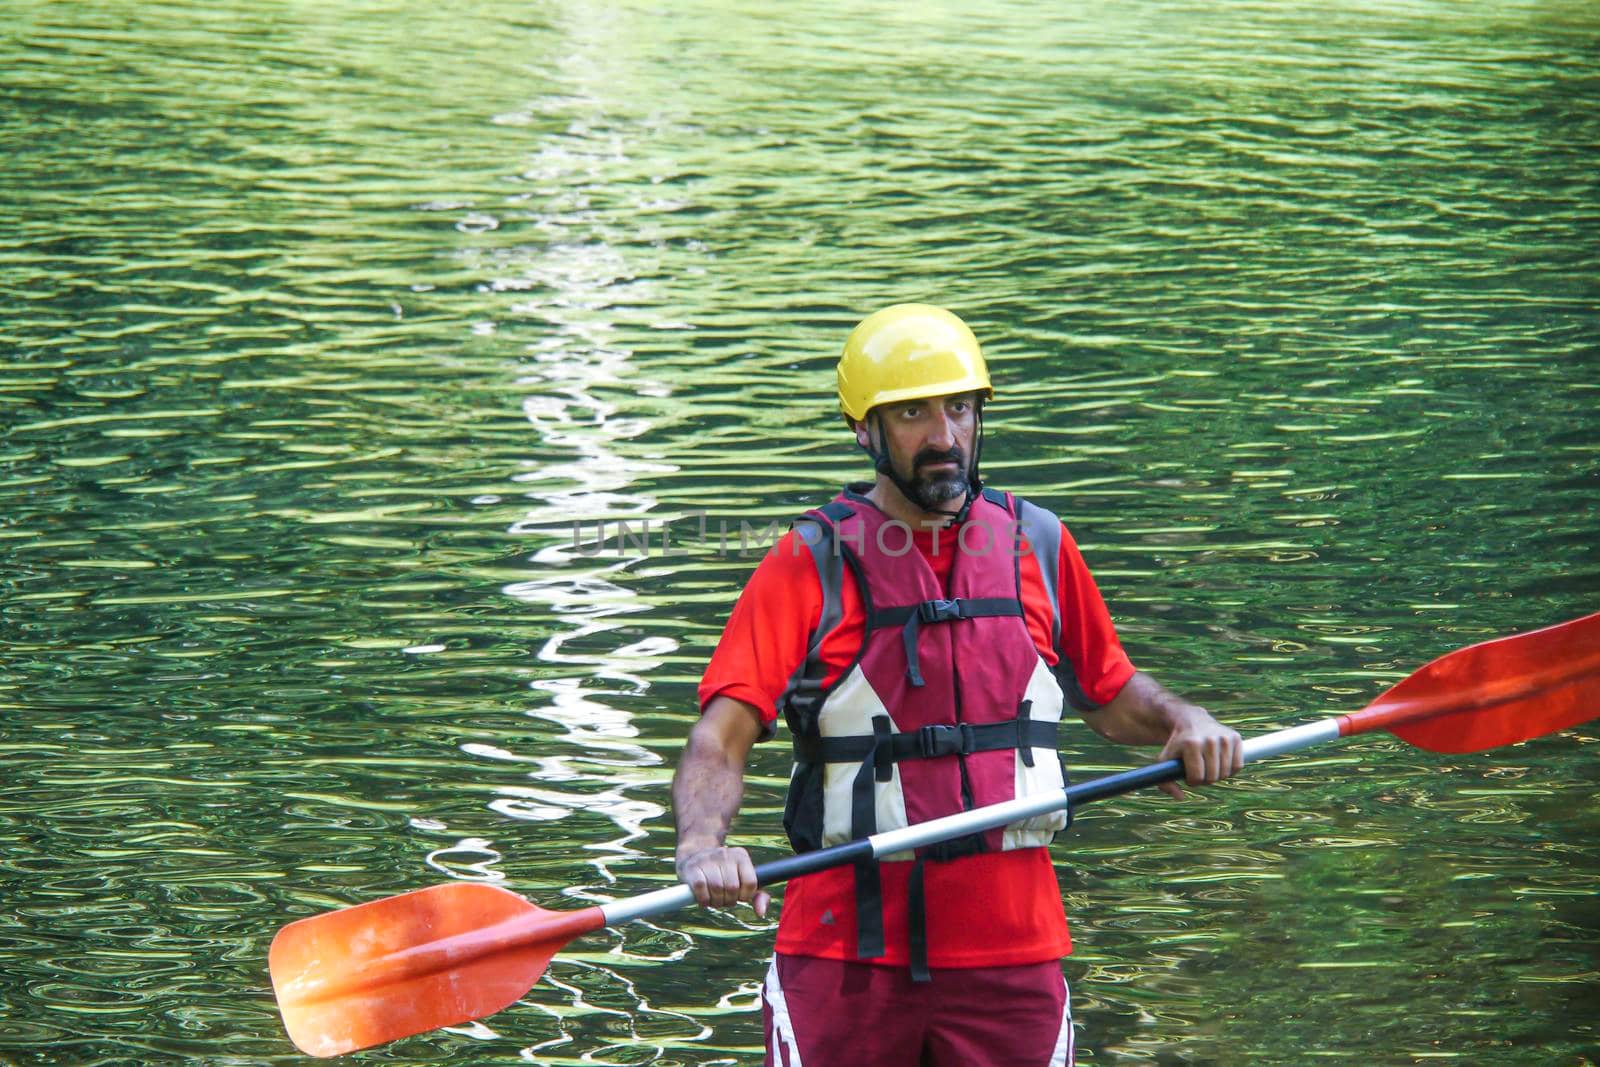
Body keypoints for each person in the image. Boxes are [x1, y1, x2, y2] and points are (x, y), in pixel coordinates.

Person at [671, 304, 1243, 1066]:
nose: (945, 436)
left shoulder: (1036, 541)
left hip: (1014, 955)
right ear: (865, 430)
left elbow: (1111, 694)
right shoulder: (809, 561)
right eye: (913, 412)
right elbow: (721, 735)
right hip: (845, 961)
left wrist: (1184, 718)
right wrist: (702, 844)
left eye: (961, 408)